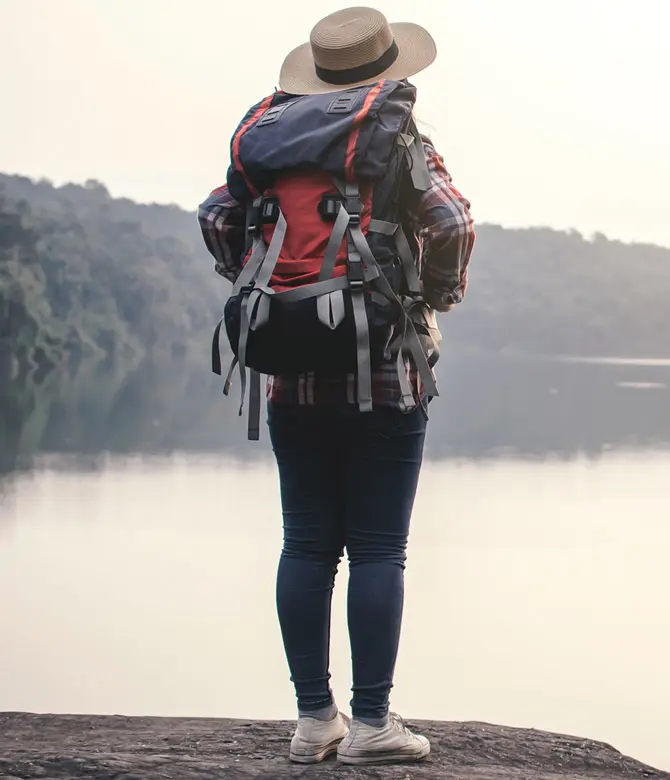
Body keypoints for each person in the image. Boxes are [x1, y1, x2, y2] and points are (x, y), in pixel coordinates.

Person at [197, 6, 475, 766]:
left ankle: (313, 719)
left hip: (292, 375)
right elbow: (451, 225)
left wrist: (274, 286)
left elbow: (217, 216)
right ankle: (374, 723)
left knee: (307, 543)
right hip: (386, 370)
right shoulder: (397, 138)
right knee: (380, 548)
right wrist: (434, 295)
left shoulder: (273, 143)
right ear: (388, 73)